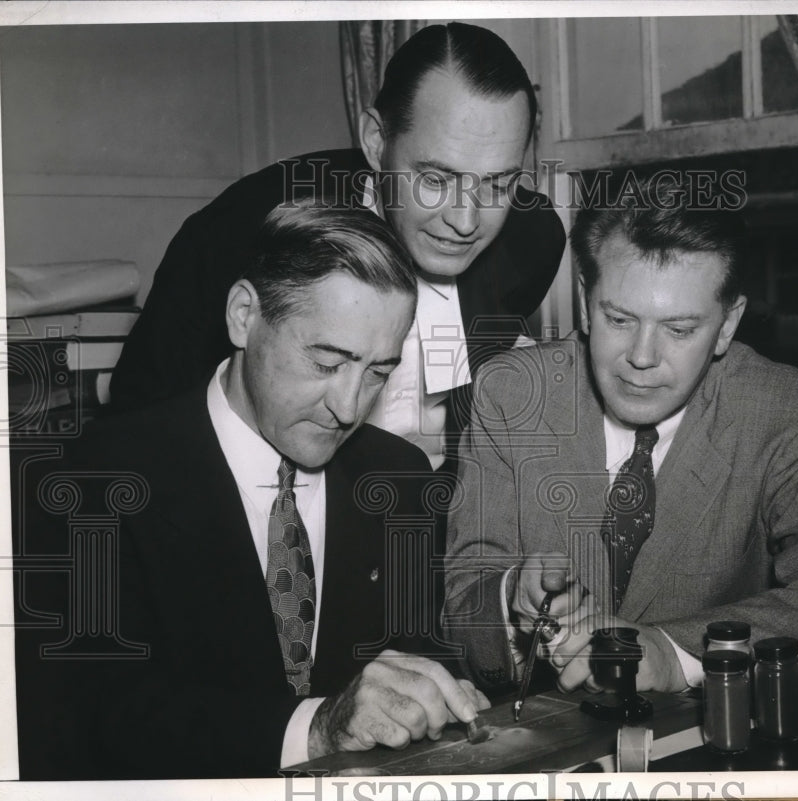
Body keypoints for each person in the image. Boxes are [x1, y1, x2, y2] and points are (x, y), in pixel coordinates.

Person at [15, 207, 488, 780]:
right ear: (244, 317)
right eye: (327, 361)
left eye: (378, 372)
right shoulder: (92, 479)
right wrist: (316, 729)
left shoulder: (402, 478)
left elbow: (417, 664)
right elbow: (87, 724)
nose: (348, 407)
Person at [444, 179, 798, 695]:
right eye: (618, 319)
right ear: (586, 305)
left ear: (727, 326)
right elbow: (463, 615)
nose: (641, 356)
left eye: (679, 330)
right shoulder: (512, 394)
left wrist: (677, 652)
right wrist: (509, 599)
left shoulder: (786, 415)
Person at [109, 22, 566, 470]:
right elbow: (140, 425)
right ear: (375, 141)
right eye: (434, 179)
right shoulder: (245, 231)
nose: (465, 222)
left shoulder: (530, 240)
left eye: (497, 186)